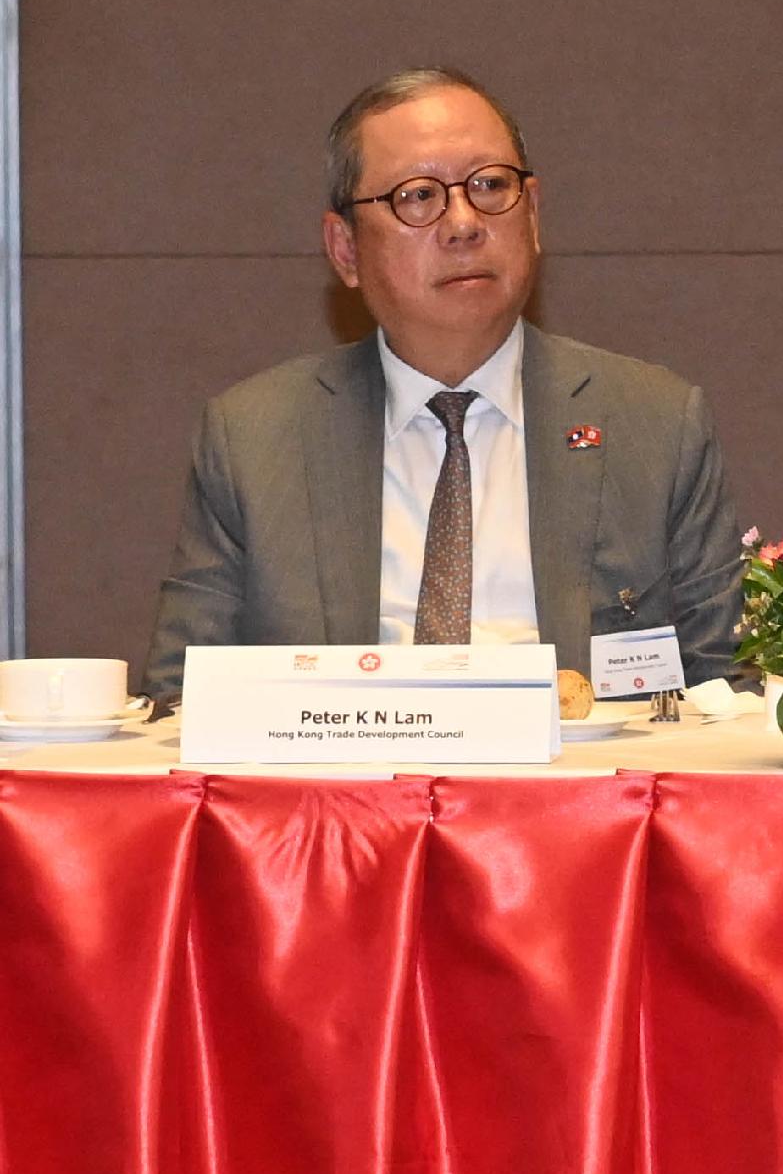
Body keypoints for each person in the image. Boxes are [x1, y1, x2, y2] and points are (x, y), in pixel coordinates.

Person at [146, 68, 747, 707]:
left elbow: (726, 693)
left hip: (577, 800)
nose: (462, 223)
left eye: (490, 186)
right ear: (345, 249)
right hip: (348, 802)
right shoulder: (254, 437)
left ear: (534, 216)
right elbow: (183, 702)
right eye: (418, 196)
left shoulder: (652, 422)